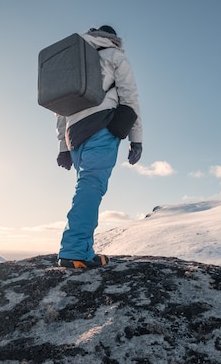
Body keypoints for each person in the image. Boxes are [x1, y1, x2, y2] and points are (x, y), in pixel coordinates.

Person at [55, 25, 143, 268]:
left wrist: (63, 146)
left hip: (75, 133)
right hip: (101, 129)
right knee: (91, 187)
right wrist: (137, 139)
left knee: (87, 188)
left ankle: (83, 251)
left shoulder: (76, 59)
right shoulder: (115, 56)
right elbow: (130, 98)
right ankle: (73, 251)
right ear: (113, 38)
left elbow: (61, 109)